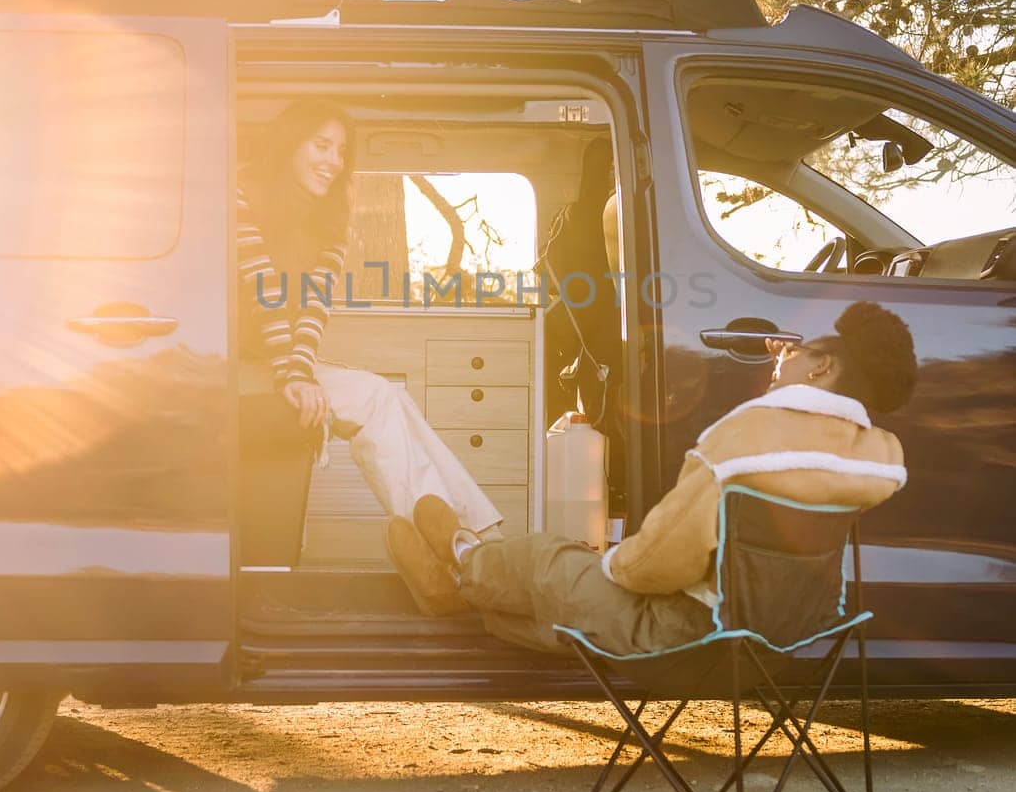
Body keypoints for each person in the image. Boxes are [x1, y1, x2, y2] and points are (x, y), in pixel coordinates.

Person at [384, 302, 918, 654]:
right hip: (791, 634)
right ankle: (459, 591)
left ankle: (462, 564)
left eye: (794, 350)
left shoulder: (744, 439)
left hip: (688, 632)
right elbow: (807, 438)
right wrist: (795, 366)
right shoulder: (874, 460)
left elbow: (657, 561)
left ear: (822, 368)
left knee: (547, 559)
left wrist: (608, 564)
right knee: (552, 613)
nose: (778, 356)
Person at [238, 99, 500, 534]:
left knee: (382, 396)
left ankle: (473, 542)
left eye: (341, 151)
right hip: (221, 366)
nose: (333, 162)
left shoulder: (332, 220)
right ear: (289, 144)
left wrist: (297, 371)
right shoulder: (241, 195)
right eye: (321, 145)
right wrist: (293, 376)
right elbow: (262, 287)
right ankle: (462, 547)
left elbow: (311, 307)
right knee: (363, 393)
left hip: (273, 366)